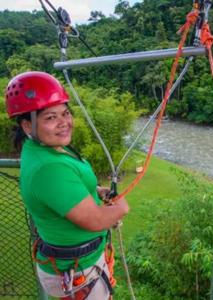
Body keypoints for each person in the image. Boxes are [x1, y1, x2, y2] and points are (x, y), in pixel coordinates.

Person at [5, 71, 129, 300]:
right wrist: (121, 207)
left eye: (65, 113)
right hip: (79, 270)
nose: (64, 123)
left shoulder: (47, 149)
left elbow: (66, 190)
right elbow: (96, 220)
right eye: (50, 117)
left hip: (76, 265)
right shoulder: (49, 168)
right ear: (27, 126)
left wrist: (96, 192)